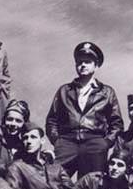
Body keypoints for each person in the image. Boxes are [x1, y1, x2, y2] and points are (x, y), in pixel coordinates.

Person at [45, 42, 124, 178]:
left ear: (96, 65)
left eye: (87, 62)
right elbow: (52, 120)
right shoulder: (64, 90)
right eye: (79, 62)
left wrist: (105, 143)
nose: (83, 65)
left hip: (94, 144)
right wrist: (57, 141)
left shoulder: (107, 92)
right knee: (54, 182)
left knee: (92, 187)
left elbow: (116, 123)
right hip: (67, 142)